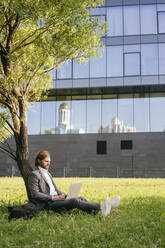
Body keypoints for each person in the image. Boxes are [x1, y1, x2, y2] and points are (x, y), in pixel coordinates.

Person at [28, 150, 120, 217]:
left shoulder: (47, 173)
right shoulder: (34, 175)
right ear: (39, 161)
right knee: (74, 201)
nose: (48, 164)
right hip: (49, 204)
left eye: (49, 162)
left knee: (80, 198)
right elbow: (35, 194)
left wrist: (63, 195)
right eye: (46, 161)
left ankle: (99, 211)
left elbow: (55, 189)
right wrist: (53, 197)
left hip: (57, 199)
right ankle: (102, 207)